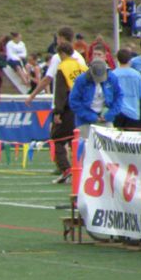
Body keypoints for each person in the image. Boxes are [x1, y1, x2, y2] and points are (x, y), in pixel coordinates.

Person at [49, 42, 84, 184]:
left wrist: (58, 111)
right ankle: (79, 169)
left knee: (57, 138)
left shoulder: (63, 67)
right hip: (82, 108)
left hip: (68, 107)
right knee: (75, 140)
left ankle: (66, 170)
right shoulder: (82, 66)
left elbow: (61, 91)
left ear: (62, 54)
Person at [26, 26, 87, 105]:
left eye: (58, 38)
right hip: (78, 100)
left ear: (61, 38)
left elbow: (47, 79)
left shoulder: (59, 57)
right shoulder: (79, 57)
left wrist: (32, 96)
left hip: (62, 101)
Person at [69, 59, 123, 139]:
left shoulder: (112, 78)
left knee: (108, 145)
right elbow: (74, 101)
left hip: (106, 117)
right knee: (85, 146)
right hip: (84, 120)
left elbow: (119, 97)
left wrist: (110, 114)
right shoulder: (81, 80)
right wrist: (91, 116)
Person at [111, 49, 141, 131]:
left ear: (117, 59)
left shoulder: (113, 74)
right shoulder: (137, 75)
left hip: (117, 111)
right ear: (130, 59)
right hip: (133, 111)